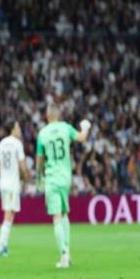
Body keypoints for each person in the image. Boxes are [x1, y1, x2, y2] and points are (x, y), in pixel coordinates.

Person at [36, 102, 91, 268]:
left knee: (57, 217)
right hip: (66, 178)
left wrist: (39, 176)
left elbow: (40, 159)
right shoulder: (66, 128)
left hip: (52, 178)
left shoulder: (42, 134)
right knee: (64, 213)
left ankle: (64, 256)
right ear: (58, 115)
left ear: (47, 116)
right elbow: (82, 138)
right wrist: (85, 126)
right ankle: (67, 252)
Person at [0, 121, 29, 257]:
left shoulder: (2, 143)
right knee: (8, 215)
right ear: (13, 129)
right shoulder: (17, 144)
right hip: (13, 184)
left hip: (4, 183)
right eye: (18, 127)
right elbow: (23, 166)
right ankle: (1, 247)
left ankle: (4, 245)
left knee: (10, 214)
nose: (19, 129)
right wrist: (27, 179)